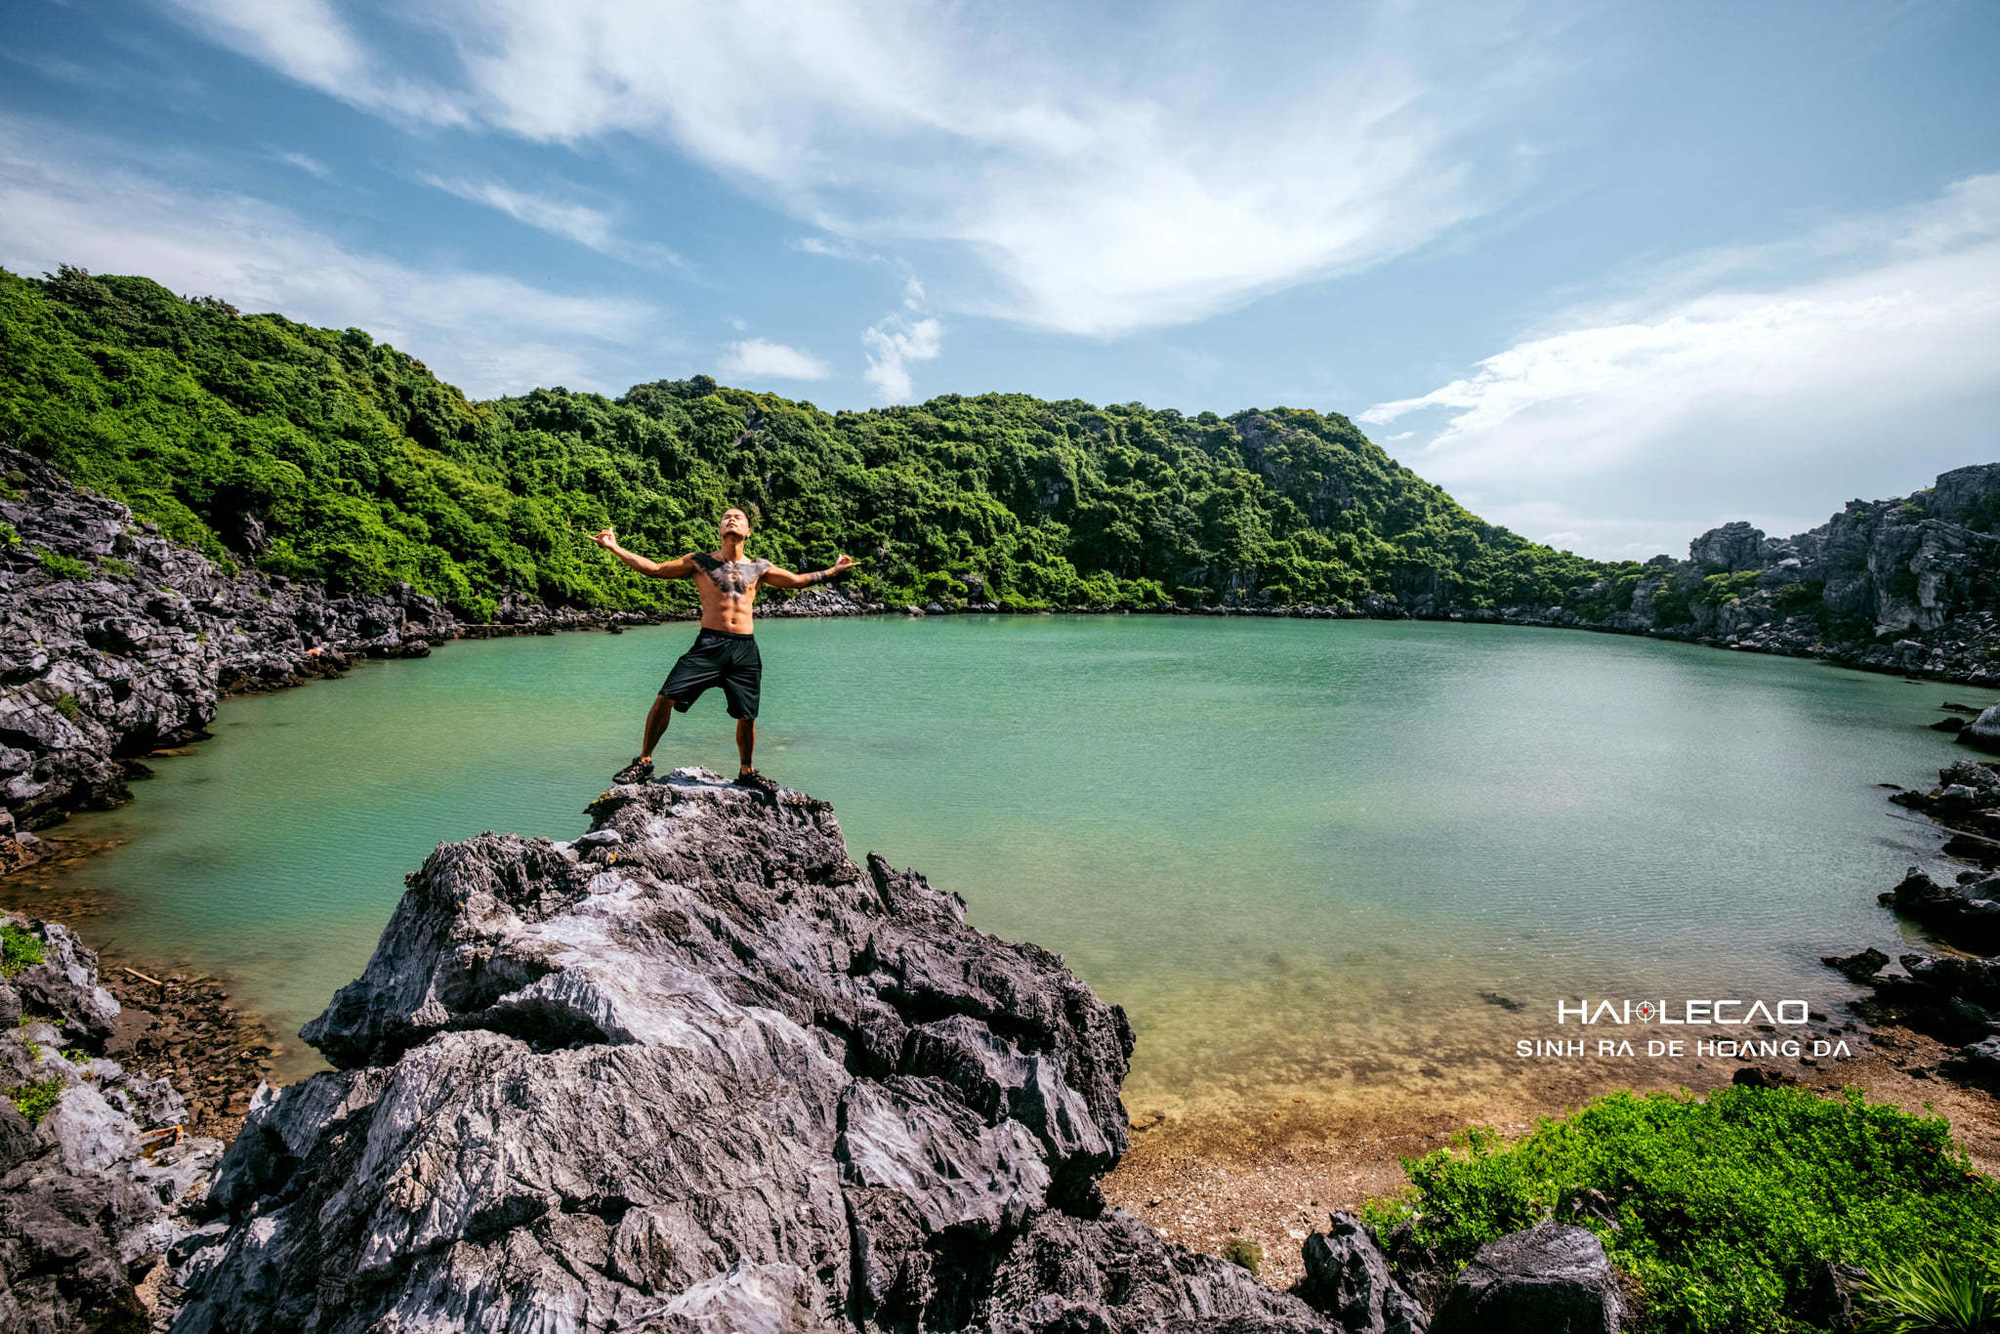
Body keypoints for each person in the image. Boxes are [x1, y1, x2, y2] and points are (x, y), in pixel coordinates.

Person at [592, 508, 853, 795]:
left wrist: (834, 570)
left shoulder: (759, 568)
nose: (732, 519)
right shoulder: (700, 562)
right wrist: (614, 546)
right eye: (726, 517)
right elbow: (654, 569)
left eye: (739, 517)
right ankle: (643, 761)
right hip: (709, 645)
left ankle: (746, 771)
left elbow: (797, 580)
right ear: (719, 529)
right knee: (665, 696)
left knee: (747, 714)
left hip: (744, 648)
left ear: (748, 531)